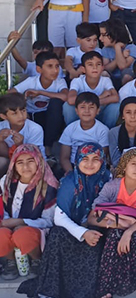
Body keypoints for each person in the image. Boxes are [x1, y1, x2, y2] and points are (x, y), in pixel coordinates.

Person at [30, 143, 109, 298]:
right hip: (72, 230)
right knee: (57, 234)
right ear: (77, 160)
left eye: (95, 159)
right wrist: (83, 233)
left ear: (102, 161)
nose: (90, 164)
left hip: (95, 227)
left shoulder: (108, 179)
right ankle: (51, 290)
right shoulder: (69, 182)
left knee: (103, 235)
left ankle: (98, 289)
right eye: (85, 159)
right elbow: (59, 217)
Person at [88, 148, 136, 298]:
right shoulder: (112, 186)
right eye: (133, 164)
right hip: (111, 227)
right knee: (115, 234)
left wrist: (128, 231)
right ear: (124, 166)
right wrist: (118, 224)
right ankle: (105, 288)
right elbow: (93, 215)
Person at [0, 145, 58, 280]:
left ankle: (36, 259)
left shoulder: (48, 186)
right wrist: (7, 222)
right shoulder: (6, 182)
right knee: (1, 234)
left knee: (23, 235)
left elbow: (48, 221)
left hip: (35, 229)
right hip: (8, 226)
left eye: (30, 161)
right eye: (20, 162)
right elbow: (3, 208)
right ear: (14, 165)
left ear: (38, 161)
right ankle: (10, 261)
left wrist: (22, 222)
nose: (25, 166)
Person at [9, 52, 67, 150]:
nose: (55, 70)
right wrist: (22, 99)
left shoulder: (60, 82)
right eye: (50, 66)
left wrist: (40, 92)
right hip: (32, 117)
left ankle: (48, 147)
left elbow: (65, 96)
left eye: (57, 66)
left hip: (50, 119)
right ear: (39, 69)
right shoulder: (31, 81)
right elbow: (10, 94)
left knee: (56, 103)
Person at [64, 51, 120, 127]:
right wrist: (100, 97)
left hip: (99, 111)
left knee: (116, 106)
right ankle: (73, 129)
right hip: (83, 113)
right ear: (83, 69)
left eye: (98, 64)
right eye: (90, 64)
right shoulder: (77, 81)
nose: (95, 67)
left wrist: (90, 103)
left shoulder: (105, 80)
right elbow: (70, 100)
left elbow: (116, 98)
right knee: (67, 106)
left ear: (102, 68)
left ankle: (107, 130)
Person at [59, 92, 110, 174]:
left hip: (94, 167)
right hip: (73, 166)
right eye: (82, 107)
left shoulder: (103, 130)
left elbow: (102, 157)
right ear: (76, 111)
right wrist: (71, 173)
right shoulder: (70, 129)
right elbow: (64, 158)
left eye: (91, 107)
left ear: (98, 111)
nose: (87, 111)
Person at [0, 94, 45, 173]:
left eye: (23, 111)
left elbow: (33, 156)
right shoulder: (1, 127)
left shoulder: (35, 129)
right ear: (4, 116)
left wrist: (20, 145)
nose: (21, 116)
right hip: (9, 160)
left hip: (32, 163)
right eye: (14, 113)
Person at [108, 97, 136, 168]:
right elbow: (115, 161)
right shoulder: (113, 133)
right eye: (128, 112)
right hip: (121, 169)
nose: (132, 116)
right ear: (122, 115)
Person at [100, 18, 136, 87]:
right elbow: (106, 68)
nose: (100, 38)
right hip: (112, 79)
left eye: (103, 35)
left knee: (127, 75)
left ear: (114, 34)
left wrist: (117, 47)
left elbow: (122, 66)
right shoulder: (105, 49)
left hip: (128, 80)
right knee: (103, 73)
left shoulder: (131, 48)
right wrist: (121, 56)